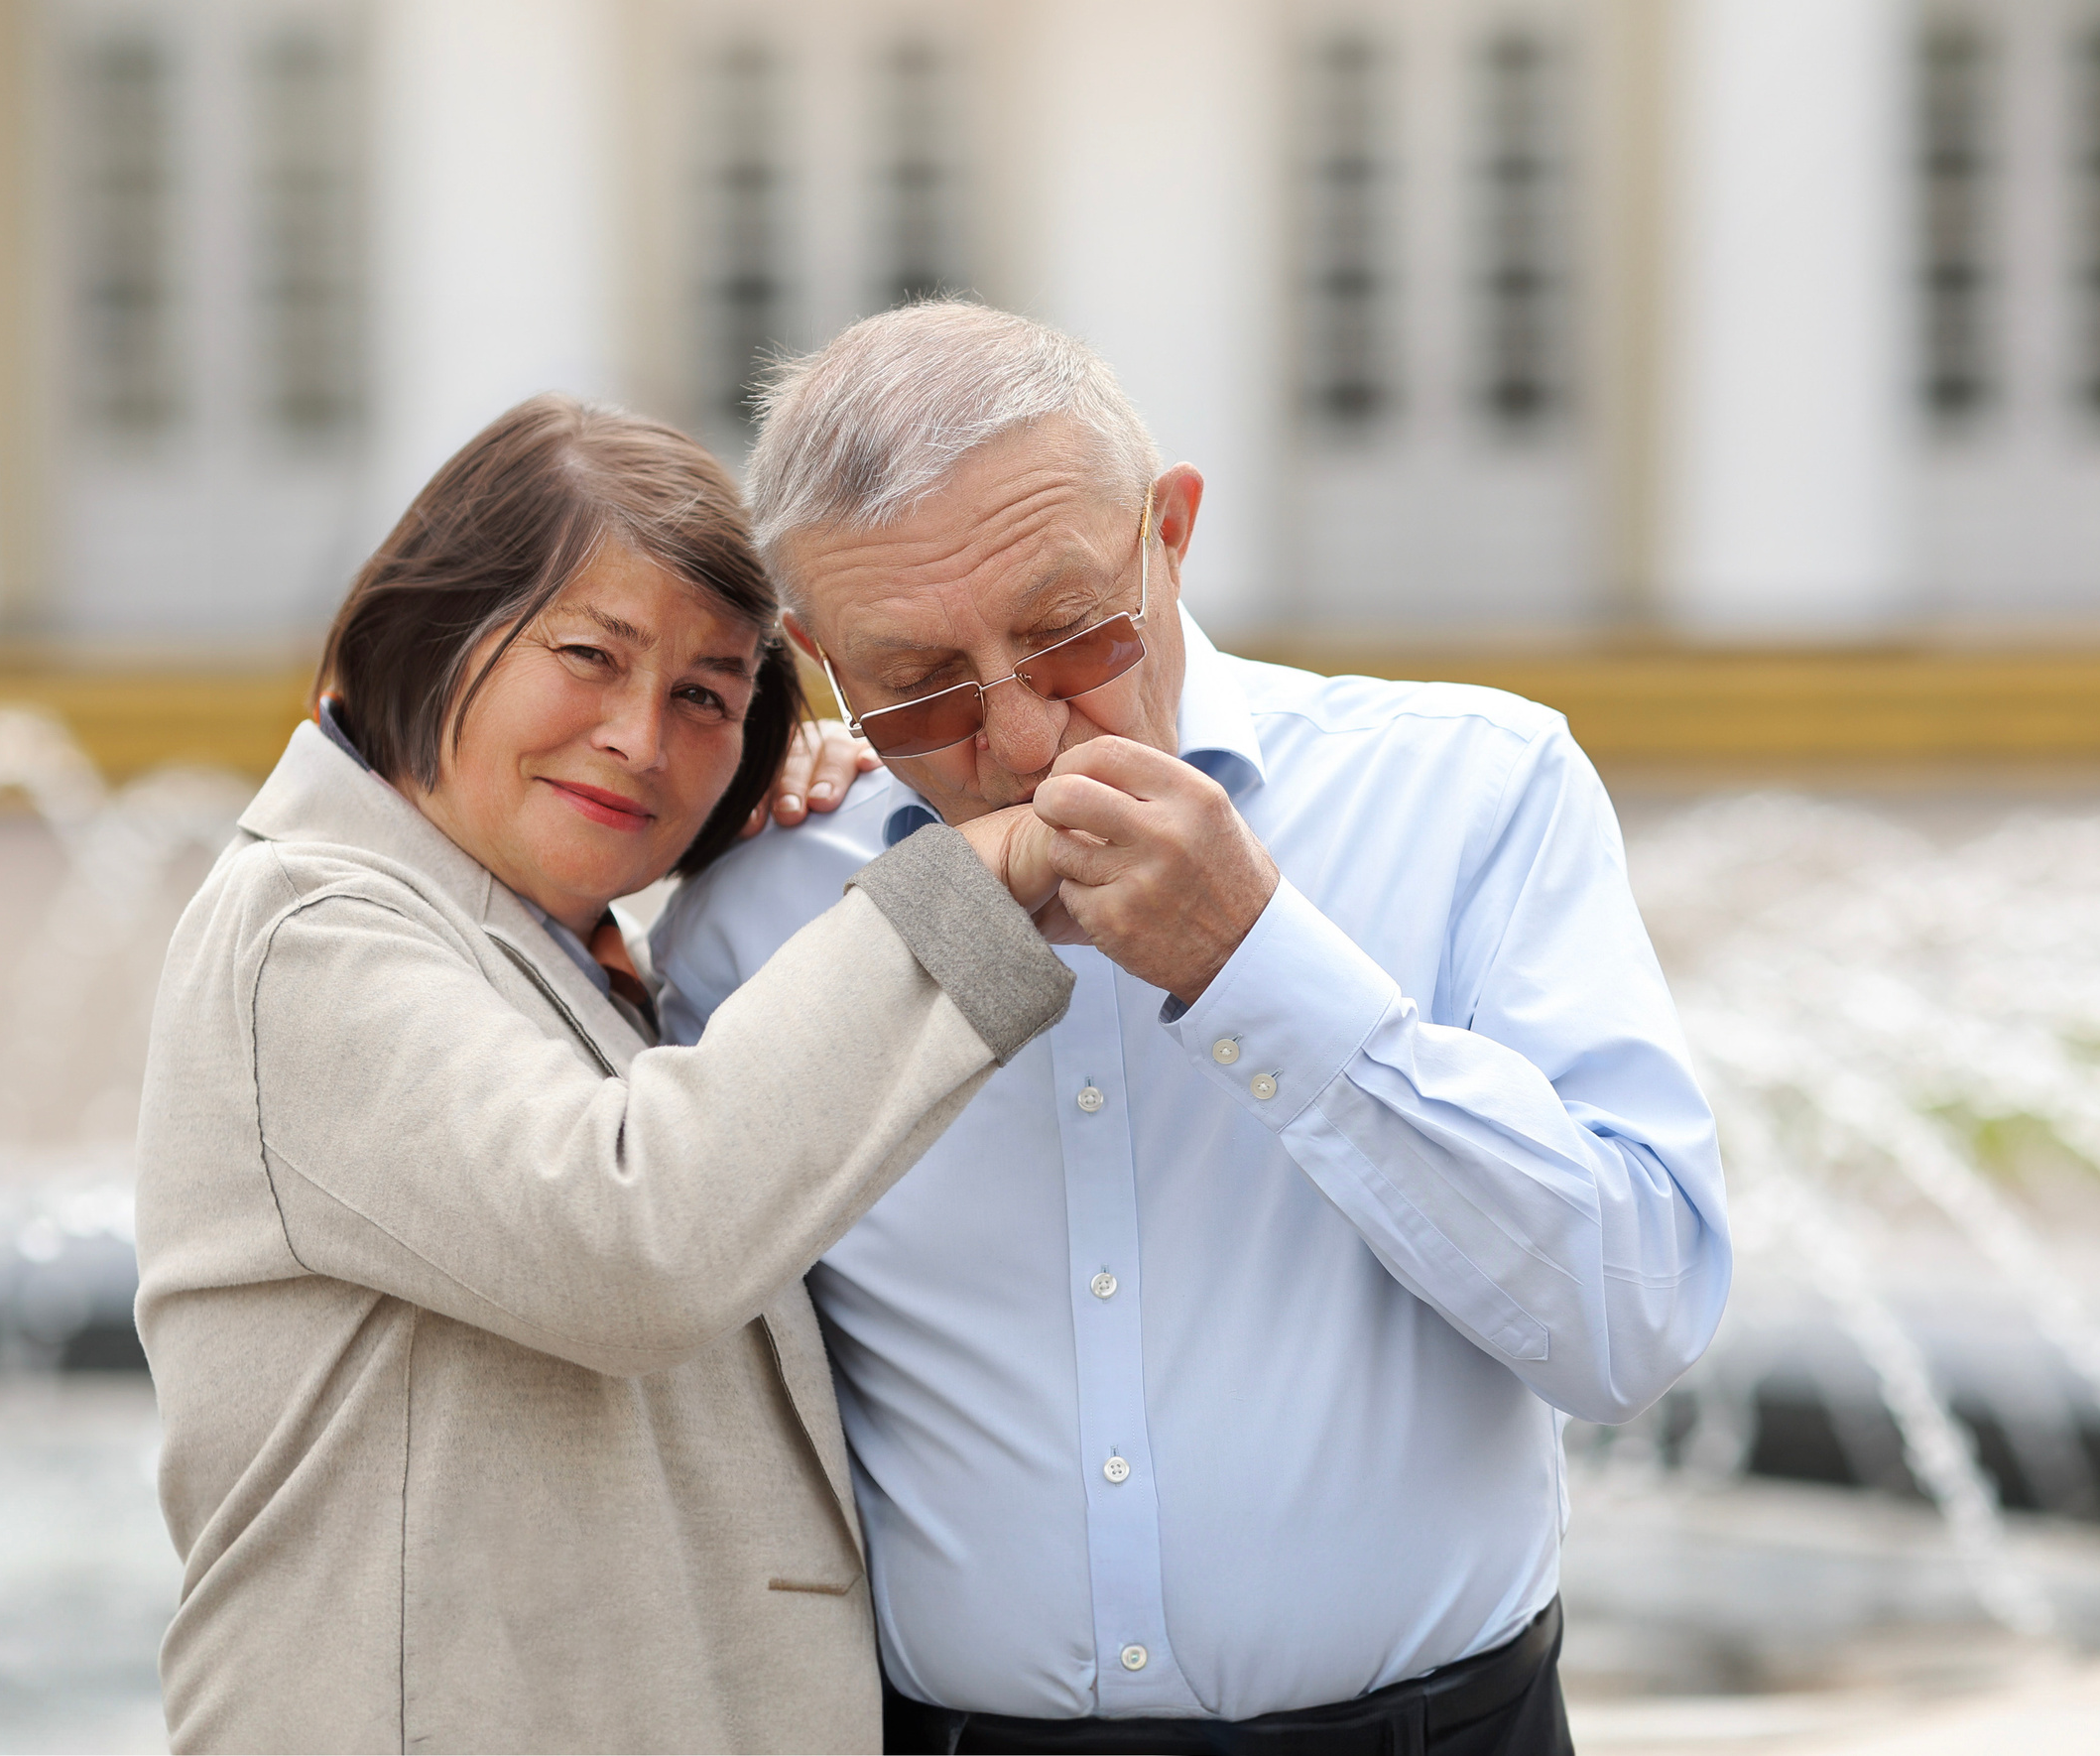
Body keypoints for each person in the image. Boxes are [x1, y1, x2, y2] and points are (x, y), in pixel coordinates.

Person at [651, 304, 1732, 1756]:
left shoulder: (1473, 795)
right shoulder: (764, 901)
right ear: (820, 656)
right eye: (917, 686)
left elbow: (1634, 1324)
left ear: (1172, 528)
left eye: (1067, 632)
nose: (1026, 739)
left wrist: (1261, 964)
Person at [133, 394, 1078, 1754]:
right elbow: (635, 1234)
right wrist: (964, 892)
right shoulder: (308, 930)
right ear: (436, 627)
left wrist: (804, 846)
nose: (641, 736)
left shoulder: (553, 951)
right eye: (591, 653)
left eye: (706, 696)